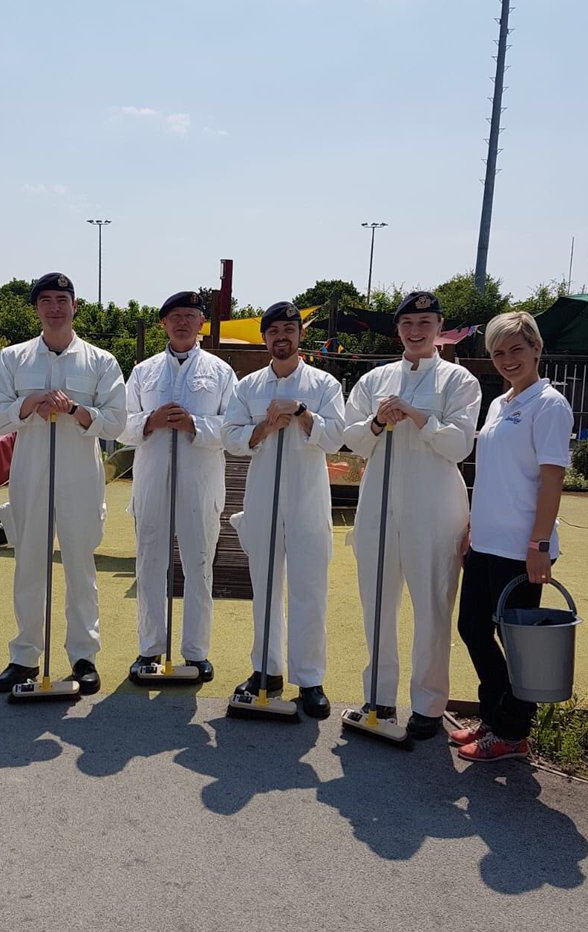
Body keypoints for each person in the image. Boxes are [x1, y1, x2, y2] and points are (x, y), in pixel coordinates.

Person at [344, 290, 481, 739]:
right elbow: (351, 439)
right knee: (376, 604)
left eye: (425, 323)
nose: (416, 331)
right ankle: (378, 695)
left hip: (434, 508)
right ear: (398, 330)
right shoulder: (374, 379)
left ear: (439, 327)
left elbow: (460, 445)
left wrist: (419, 417)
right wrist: (378, 422)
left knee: (433, 607)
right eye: (407, 324)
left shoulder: (460, 381)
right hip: (379, 506)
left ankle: (428, 704)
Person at [0, 273, 127, 695]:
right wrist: (29, 403)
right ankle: (25, 656)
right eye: (45, 300)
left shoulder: (101, 361)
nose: (54, 308)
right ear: (36, 308)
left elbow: (116, 422)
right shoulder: (12, 358)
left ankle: (83, 656)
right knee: (29, 563)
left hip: (80, 476)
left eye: (62, 300)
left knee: (80, 566)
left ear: (75, 306)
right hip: (30, 474)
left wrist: (76, 410)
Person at [453, 310, 573, 761]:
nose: (507, 360)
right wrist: (472, 528)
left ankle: (512, 732)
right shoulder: (500, 403)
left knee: (518, 644)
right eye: (498, 352)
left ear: (536, 348)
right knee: (472, 629)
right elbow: (493, 474)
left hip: (522, 548)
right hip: (486, 541)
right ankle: (494, 719)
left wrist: (539, 544)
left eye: (516, 349)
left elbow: (552, 479)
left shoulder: (550, 404)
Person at [222, 301, 345, 718]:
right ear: (264, 338)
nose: (281, 337)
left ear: (300, 335)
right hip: (262, 496)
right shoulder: (248, 387)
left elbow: (336, 438)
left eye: (289, 330)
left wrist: (302, 413)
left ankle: (309, 679)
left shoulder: (324, 384)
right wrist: (264, 427)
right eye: (273, 331)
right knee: (265, 586)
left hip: (308, 497)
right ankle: (266, 670)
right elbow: (230, 436)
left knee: (309, 587)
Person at [121, 291, 237, 679]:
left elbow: (234, 427)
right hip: (152, 480)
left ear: (202, 323)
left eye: (190, 316)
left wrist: (195, 425)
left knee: (199, 565)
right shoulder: (144, 371)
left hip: (200, 483)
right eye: (175, 317)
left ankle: (196, 651)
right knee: (149, 563)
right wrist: (149, 421)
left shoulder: (221, 372)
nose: (182, 323)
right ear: (164, 324)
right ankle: (149, 649)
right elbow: (120, 424)